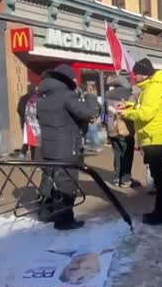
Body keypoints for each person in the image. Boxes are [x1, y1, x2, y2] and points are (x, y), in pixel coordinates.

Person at [37, 64, 99, 230]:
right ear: (68, 79)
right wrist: (91, 97)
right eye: (74, 79)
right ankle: (64, 220)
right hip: (66, 148)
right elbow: (89, 112)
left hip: (48, 147)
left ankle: (44, 212)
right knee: (67, 184)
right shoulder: (66, 95)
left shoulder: (43, 97)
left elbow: (61, 118)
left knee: (48, 180)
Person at [120, 58, 162, 225]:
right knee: (159, 179)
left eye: (135, 74)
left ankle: (160, 214)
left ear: (143, 74)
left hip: (155, 138)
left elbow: (145, 114)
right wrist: (129, 105)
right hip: (155, 137)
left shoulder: (153, 89)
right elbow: (145, 108)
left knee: (160, 180)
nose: (134, 77)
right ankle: (159, 212)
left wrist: (125, 114)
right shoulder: (153, 87)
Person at [106, 72, 139, 188]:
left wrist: (107, 129)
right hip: (127, 129)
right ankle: (125, 179)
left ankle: (116, 178)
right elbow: (134, 113)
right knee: (127, 154)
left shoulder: (108, 94)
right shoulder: (130, 95)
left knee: (117, 154)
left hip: (112, 129)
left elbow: (104, 114)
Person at [17, 84, 35, 159]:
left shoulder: (22, 98)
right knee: (34, 142)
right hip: (33, 123)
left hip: (24, 122)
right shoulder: (35, 98)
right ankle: (33, 158)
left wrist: (22, 117)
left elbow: (18, 110)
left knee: (26, 140)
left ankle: (22, 155)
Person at [22, 88, 40, 160]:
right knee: (37, 144)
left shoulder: (28, 103)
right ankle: (36, 159)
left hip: (31, 126)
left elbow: (26, 115)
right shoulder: (37, 103)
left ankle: (34, 158)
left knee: (33, 144)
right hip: (37, 126)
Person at [84, 81, 102, 153]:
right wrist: (98, 115)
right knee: (93, 131)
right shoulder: (95, 98)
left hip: (88, 117)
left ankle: (95, 146)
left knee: (92, 131)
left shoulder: (87, 98)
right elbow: (100, 107)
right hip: (94, 116)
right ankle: (95, 146)